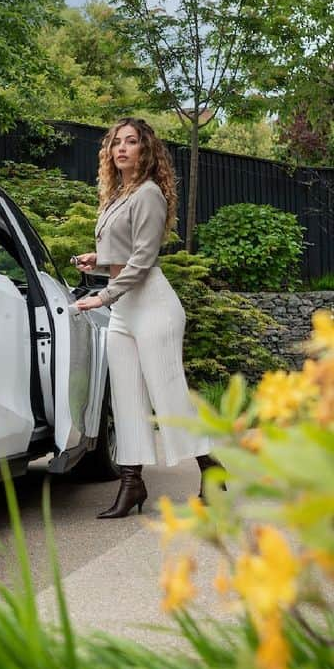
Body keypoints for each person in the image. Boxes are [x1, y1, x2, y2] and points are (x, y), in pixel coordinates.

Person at [73, 117, 218, 518]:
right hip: (124, 309)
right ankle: (132, 483)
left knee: (168, 396)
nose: (121, 148)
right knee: (126, 401)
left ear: (145, 150)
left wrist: (101, 295)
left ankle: (213, 469)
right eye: (116, 142)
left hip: (153, 306)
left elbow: (142, 261)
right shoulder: (116, 195)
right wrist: (98, 262)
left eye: (131, 142)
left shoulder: (150, 193)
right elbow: (122, 260)